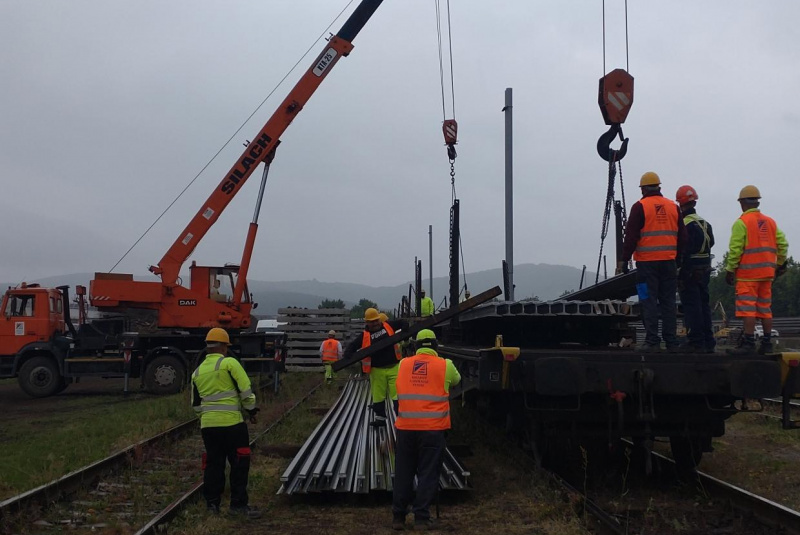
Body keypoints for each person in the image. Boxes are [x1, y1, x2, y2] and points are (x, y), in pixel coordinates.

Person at [392, 329, 461, 531]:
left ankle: (398, 517)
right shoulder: (445, 365)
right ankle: (421, 518)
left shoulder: (403, 364)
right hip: (432, 430)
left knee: (403, 472)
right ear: (436, 346)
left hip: (405, 428)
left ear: (416, 346)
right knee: (428, 473)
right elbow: (457, 381)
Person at [191, 327, 261, 518]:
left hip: (209, 427)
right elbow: (246, 391)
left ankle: (212, 506)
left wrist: (207, 418)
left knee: (214, 465)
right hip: (233, 426)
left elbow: (196, 405)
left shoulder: (197, 373)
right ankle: (237, 506)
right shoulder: (230, 363)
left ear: (208, 347)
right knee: (239, 463)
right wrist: (251, 410)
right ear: (223, 346)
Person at [619, 172, 687, 352]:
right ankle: (671, 342)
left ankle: (652, 341)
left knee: (647, 301)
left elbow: (631, 236)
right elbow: (683, 237)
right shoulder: (673, 207)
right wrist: (678, 259)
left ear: (643, 189)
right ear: (659, 187)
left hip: (646, 265)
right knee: (668, 302)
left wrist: (624, 260)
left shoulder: (640, 206)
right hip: (669, 264)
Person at [725, 185, 789, 355]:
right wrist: (780, 264)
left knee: (748, 309)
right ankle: (766, 343)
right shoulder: (770, 222)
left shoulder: (742, 223)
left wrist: (730, 270)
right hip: (767, 274)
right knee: (765, 309)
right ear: (757, 202)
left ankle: (749, 343)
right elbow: (783, 244)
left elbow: (736, 249)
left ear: (742, 203)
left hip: (747, 276)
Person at [344, 308, 407, 425]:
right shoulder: (364, 335)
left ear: (379, 319)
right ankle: (380, 418)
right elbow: (353, 345)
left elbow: (402, 322)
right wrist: (347, 354)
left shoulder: (388, 326)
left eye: (376, 320)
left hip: (394, 367)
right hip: (377, 370)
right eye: (372, 322)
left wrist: (405, 328)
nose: (375, 323)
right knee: (378, 396)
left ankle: (402, 419)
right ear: (367, 323)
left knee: (398, 394)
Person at [675, 185, 716, 353]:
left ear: (680, 204)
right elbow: (711, 243)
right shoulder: (705, 223)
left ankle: (696, 341)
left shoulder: (684, 224)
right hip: (705, 269)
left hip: (690, 270)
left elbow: (682, 248)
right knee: (704, 305)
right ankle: (708, 342)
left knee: (692, 306)